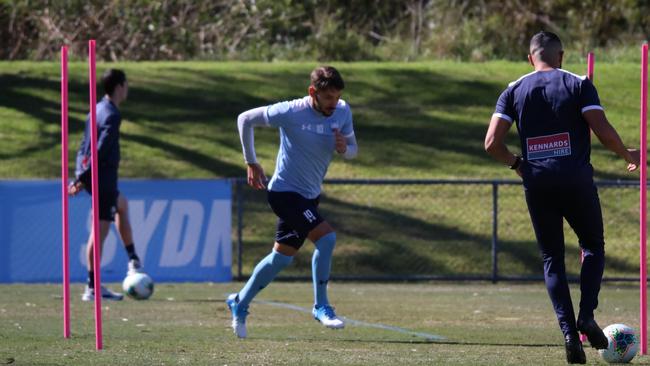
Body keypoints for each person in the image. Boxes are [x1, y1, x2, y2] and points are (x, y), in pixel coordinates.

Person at [485, 31, 640, 364]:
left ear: (530, 58)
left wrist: (517, 164)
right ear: (562, 55)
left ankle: (570, 334)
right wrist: (626, 152)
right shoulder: (578, 83)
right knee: (593, 247)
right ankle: (586, 316)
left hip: (537, 182)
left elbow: (491, 144)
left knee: (552, 259)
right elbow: (601, 129)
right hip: (576, 180)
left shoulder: (513, 90)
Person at [227, 65, 358, 338]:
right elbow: (245, 119)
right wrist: (251, 161)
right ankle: (321, 306)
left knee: (280, 259)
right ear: (313, 92)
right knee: (327, 239)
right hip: (284, 193)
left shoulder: (343, 111)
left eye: (337, 97)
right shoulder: (291, 111)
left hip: (310, 196)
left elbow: (353, 150)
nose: (334, 103)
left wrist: (344, 148)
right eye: (328, 98)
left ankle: (240, 302)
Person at [69, 69, 144, 302]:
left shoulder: (96, 109)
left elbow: (84, 146)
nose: (128, 89)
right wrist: (83, 178)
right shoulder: (111, 113)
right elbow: (99, 149)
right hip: (103, 179)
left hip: (94, 175)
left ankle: (132, 258)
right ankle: (92, 287)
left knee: (122, 204)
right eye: (127, 84)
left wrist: (81, 173)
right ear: (120, 86)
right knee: (99, 233)